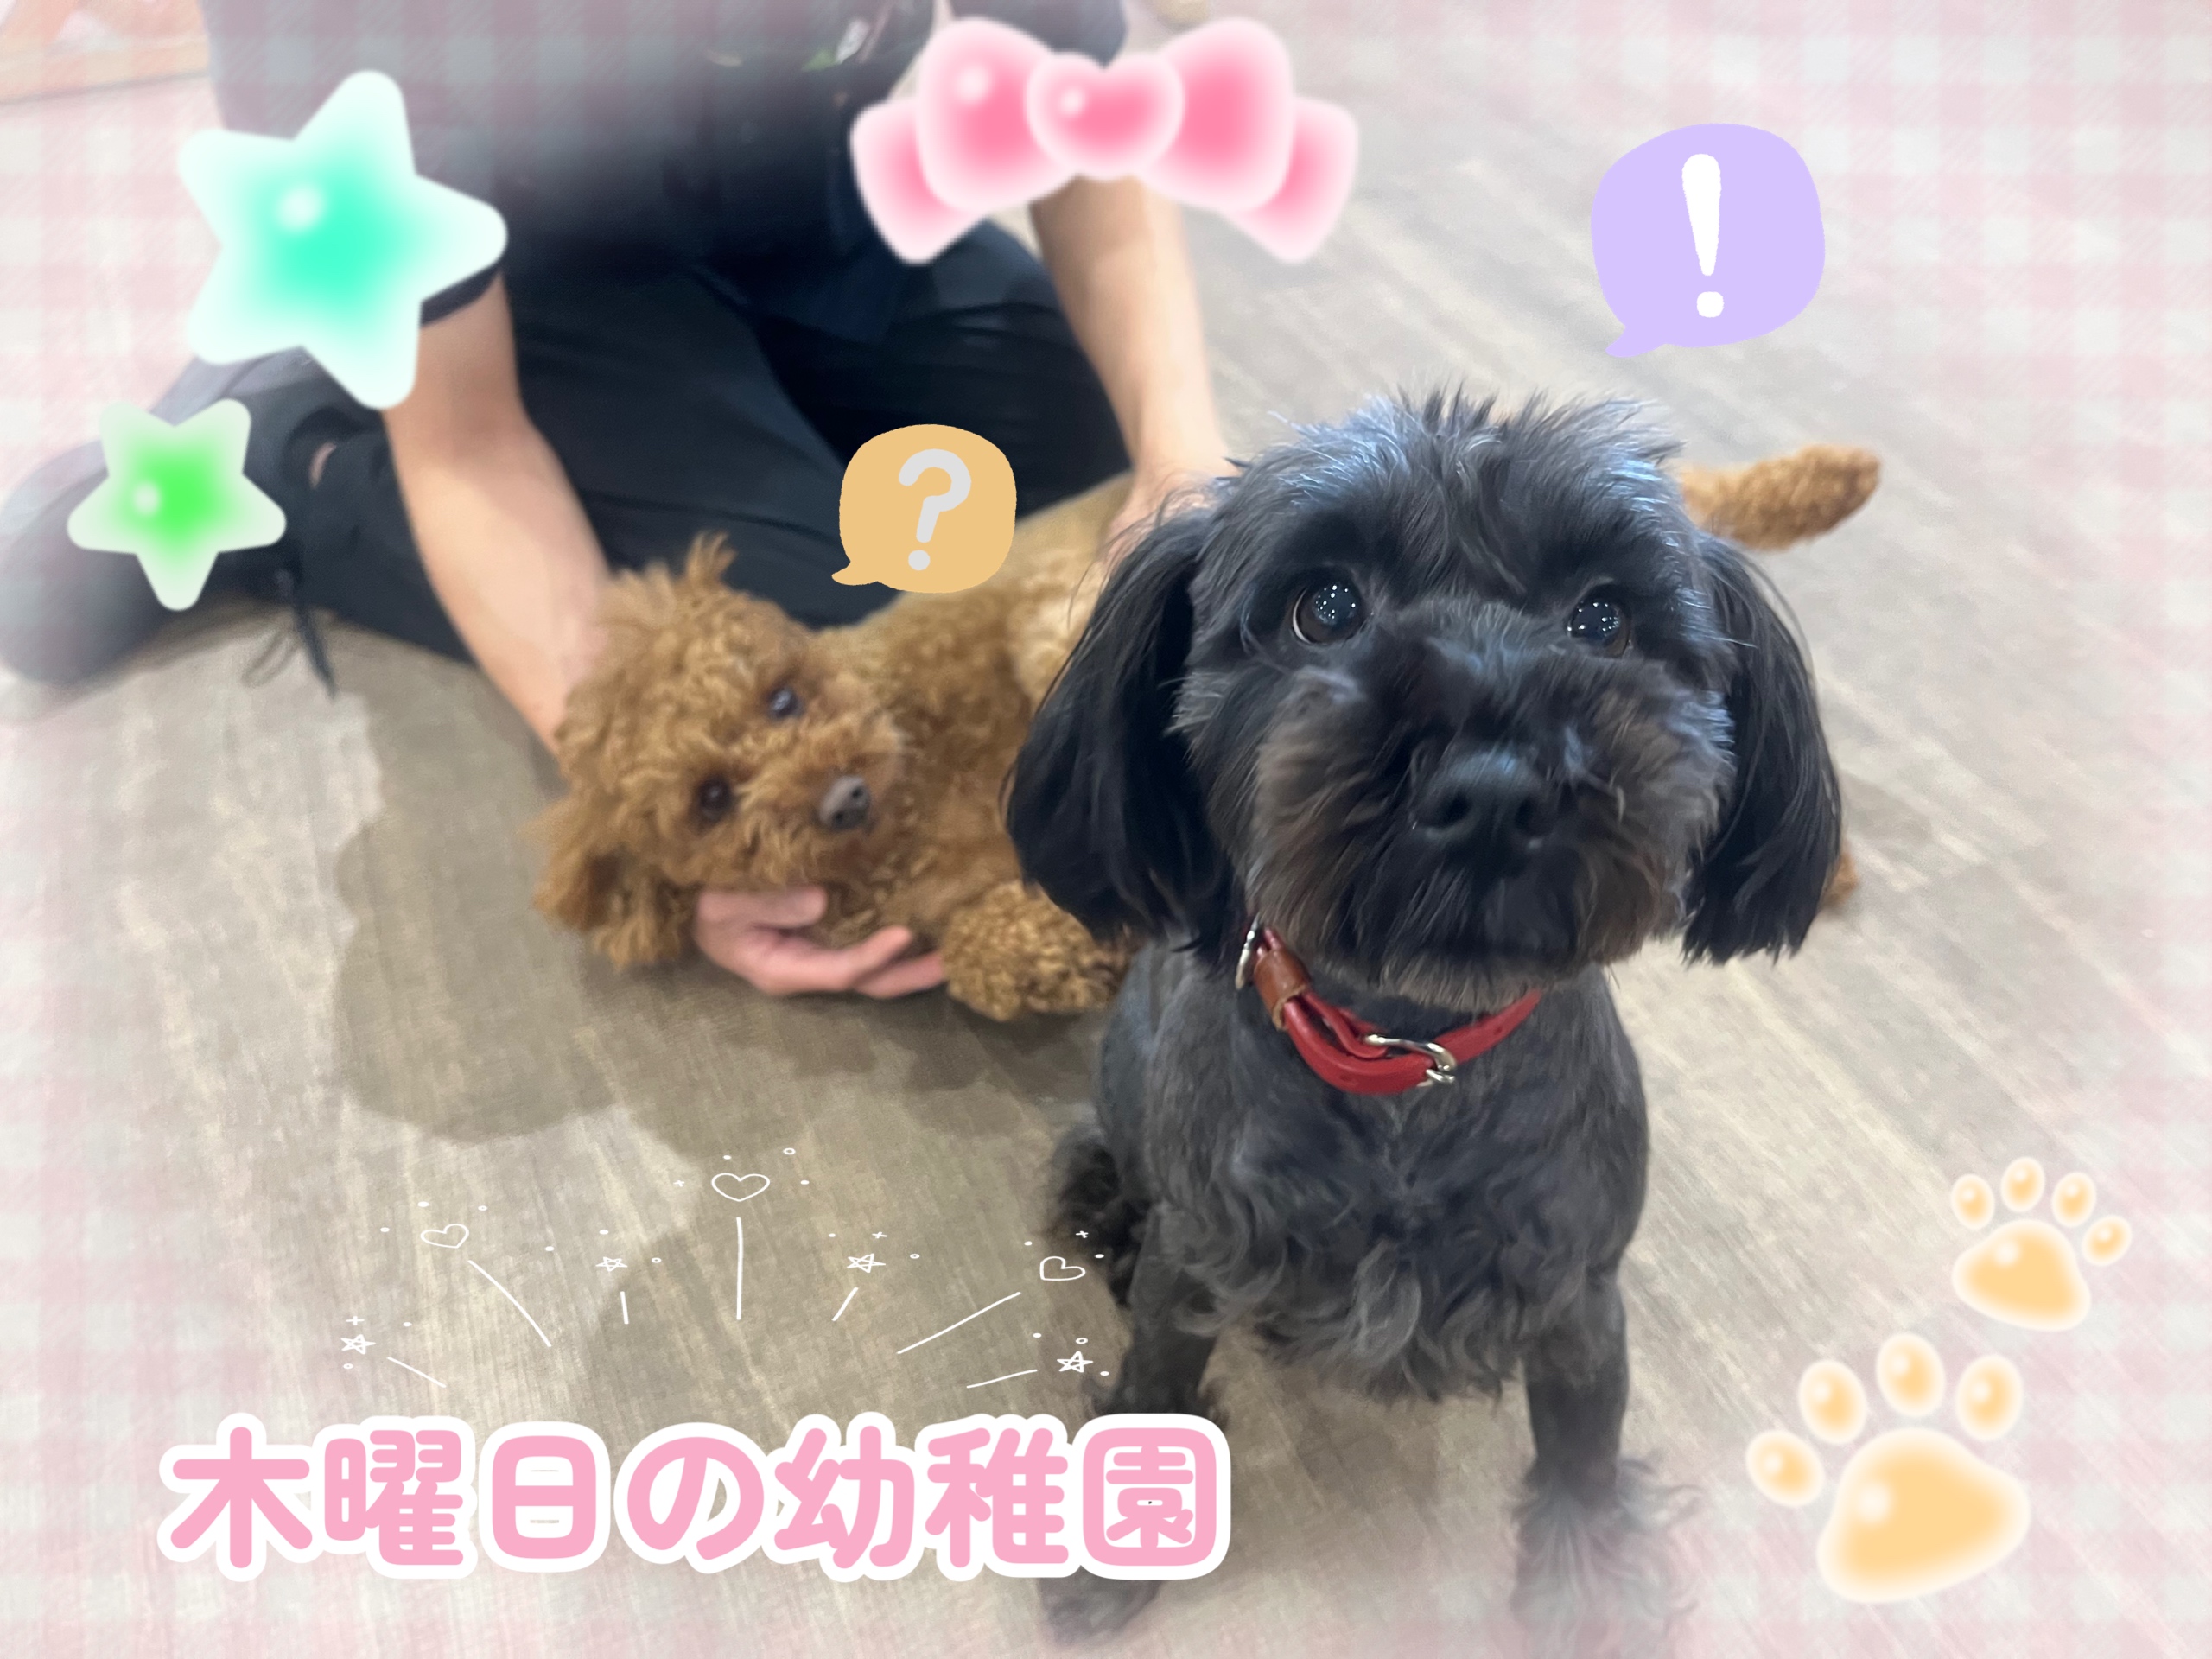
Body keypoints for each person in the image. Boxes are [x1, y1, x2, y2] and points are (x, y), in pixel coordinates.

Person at [0, 0, 1229, 1002]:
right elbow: (470, 447)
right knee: (812, 650)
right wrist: (668, 815)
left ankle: (736, 401)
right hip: (519, 275)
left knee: (1089, 464)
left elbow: (1082, 122)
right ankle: (298, 449)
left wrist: (1182, 471)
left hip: (806, 206)